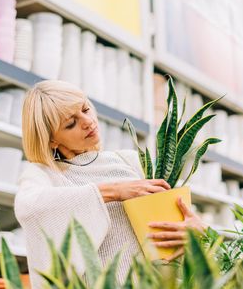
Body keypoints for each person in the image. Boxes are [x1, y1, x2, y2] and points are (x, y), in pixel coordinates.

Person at [14, 80, 207, 287]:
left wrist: (198, 230)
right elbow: (29, 207)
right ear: (51, 140)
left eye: (86, 109)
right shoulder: (45, 174)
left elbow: (178, 217)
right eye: (71, 123)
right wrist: (112, 191)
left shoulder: (129, 161)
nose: (88, 121)